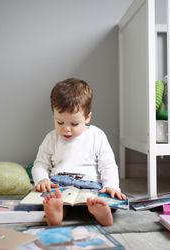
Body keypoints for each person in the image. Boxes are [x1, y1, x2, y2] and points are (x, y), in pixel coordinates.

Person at [31, 77, 126, 226]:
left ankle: (101, 212)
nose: (66, 129)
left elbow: (108, 165)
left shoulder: (97, 136)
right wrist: (42, 179)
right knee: (52, 200)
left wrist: (111, 185)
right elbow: (40, 165)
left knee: (104, 200)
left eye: (74, 124)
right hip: (60, 184)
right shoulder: (51, 138)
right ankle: (57, 213)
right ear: (54, 115)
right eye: (59, 122)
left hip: (91, 185)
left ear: (87, 117)